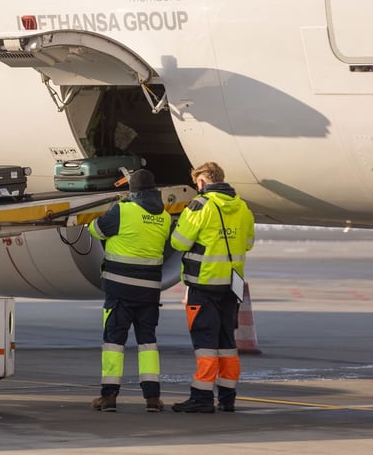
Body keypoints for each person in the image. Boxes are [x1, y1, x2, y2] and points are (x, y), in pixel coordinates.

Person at [170, 162, 255, 413]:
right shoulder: (242, 207)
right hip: (232, 285)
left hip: (205, 283)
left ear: (202, 182)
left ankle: (202, 397)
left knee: (205, 343)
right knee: (227, 343)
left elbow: (179, 242)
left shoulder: (200, 206)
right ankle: (228, 397)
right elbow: (248, 243)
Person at [88, 168, 171, 413]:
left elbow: (97, 230)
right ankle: (152, 399)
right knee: (148, 343)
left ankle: (109, 397)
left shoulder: (123, 210)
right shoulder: (164, 216)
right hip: (149, 292)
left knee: (114, 343)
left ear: (132, 189)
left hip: (120, 290)